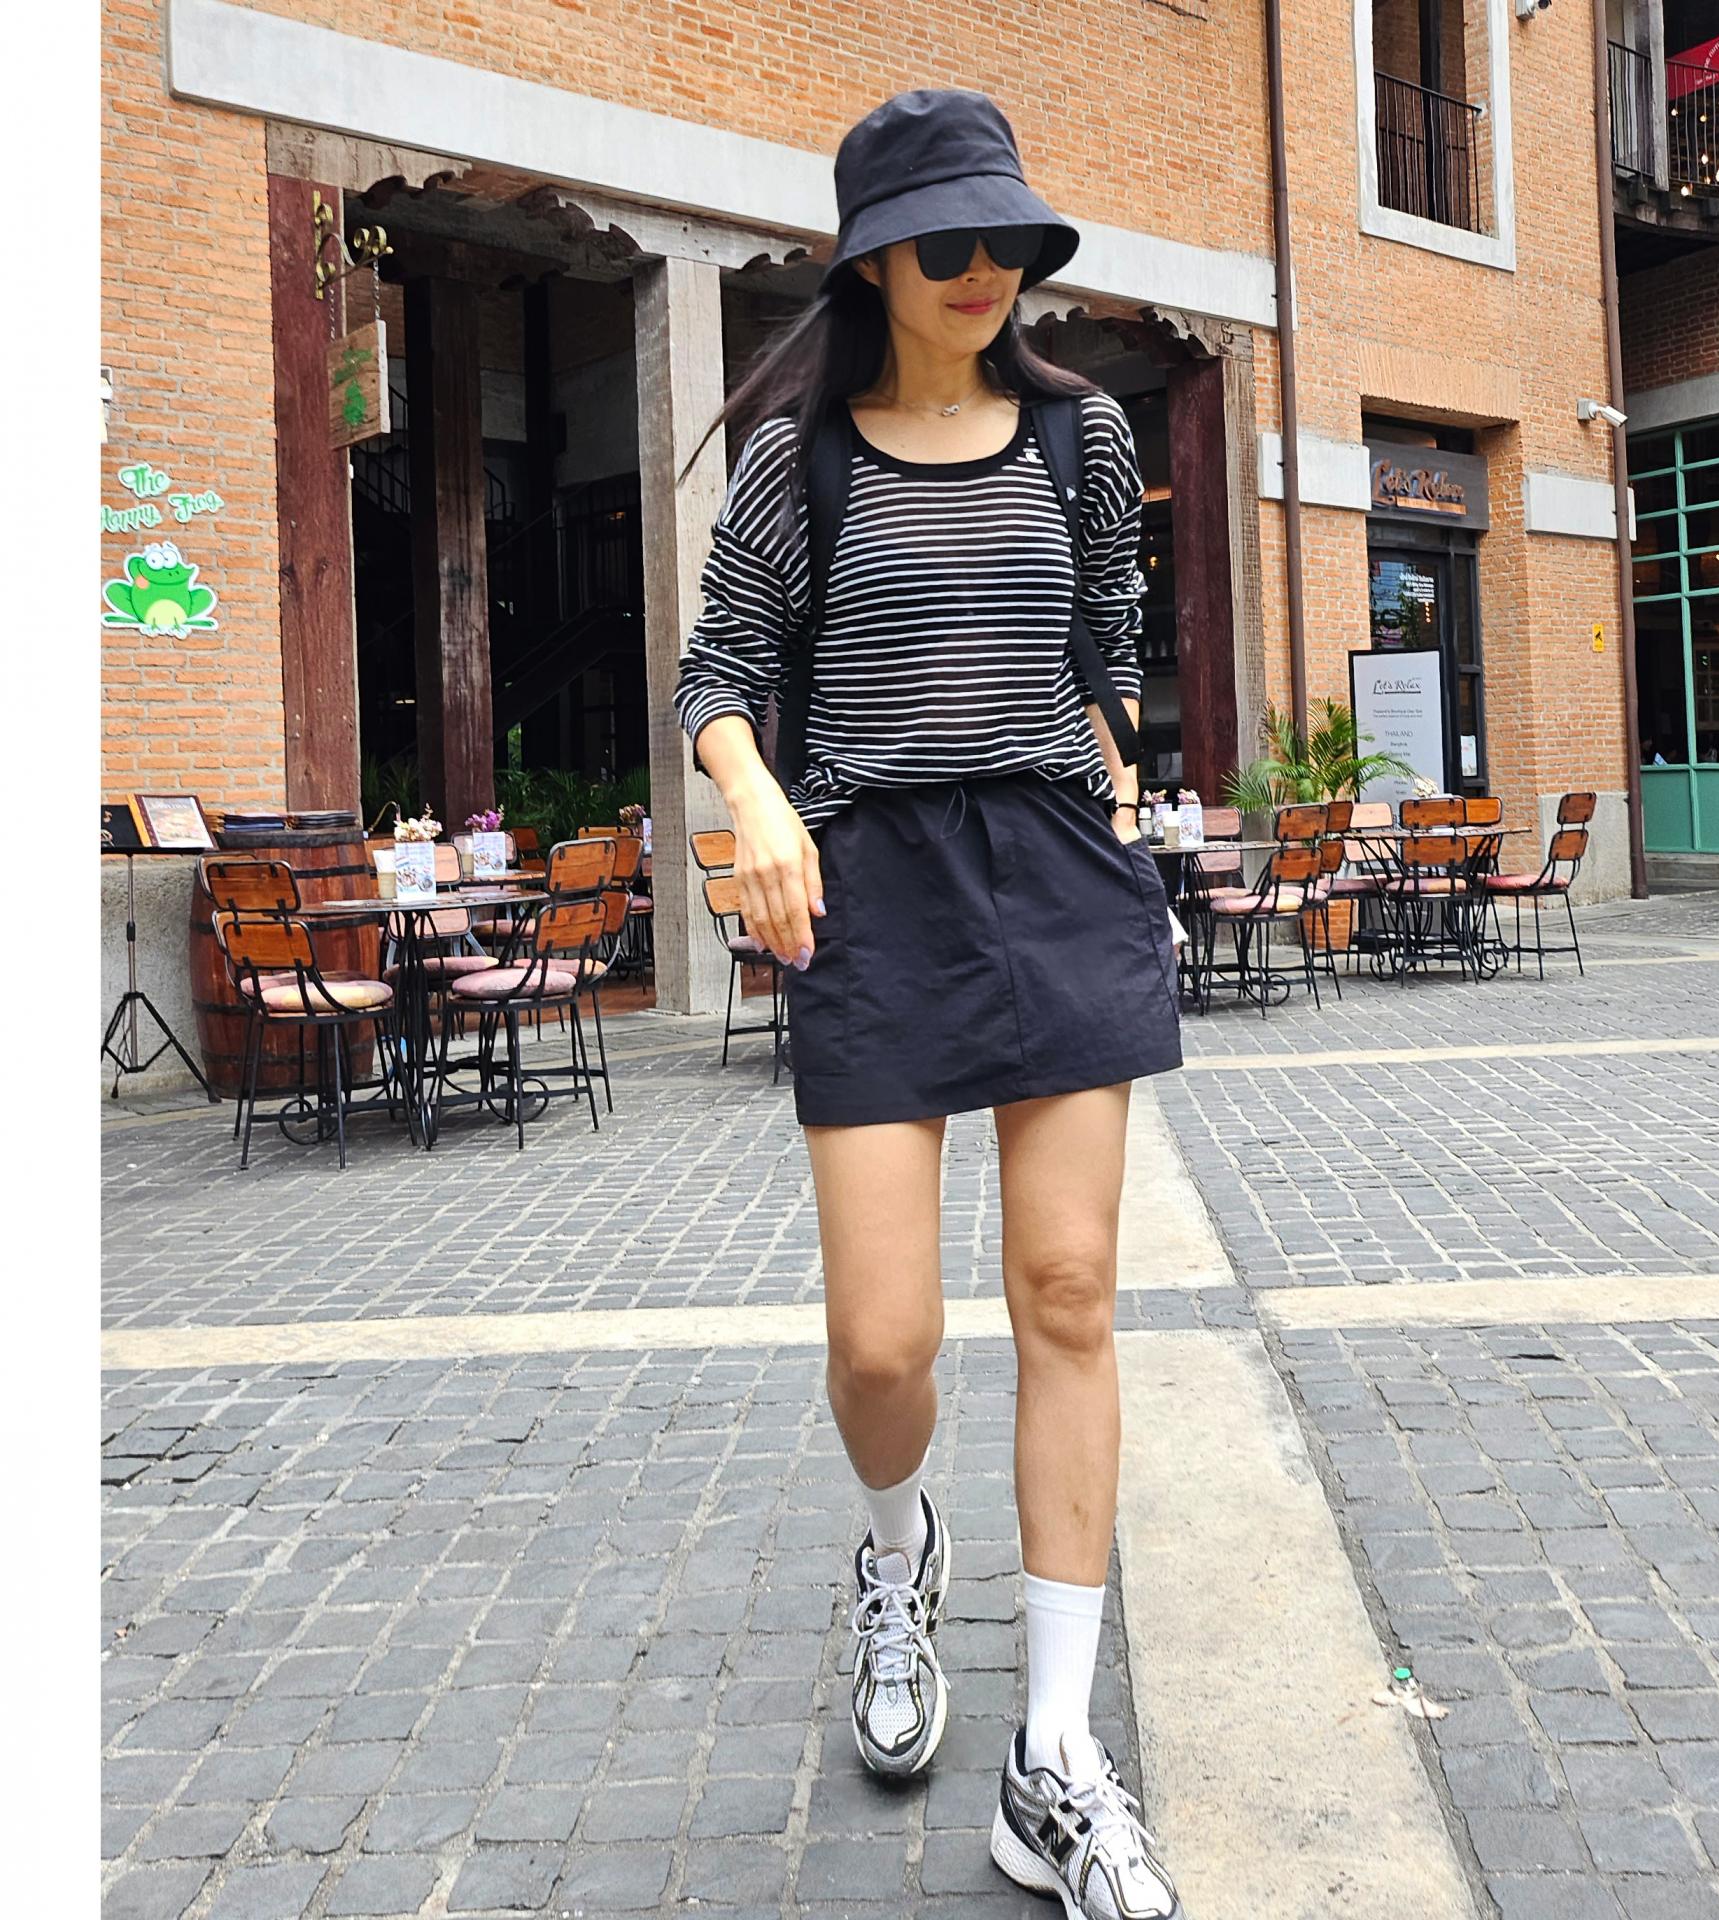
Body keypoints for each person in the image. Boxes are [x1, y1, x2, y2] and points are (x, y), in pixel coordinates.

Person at [671, 88, 1186, 1920]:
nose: (984, 271)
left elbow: (1110, 638)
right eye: (946, 242)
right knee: (884, 1344)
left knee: (1069, 1291)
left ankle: (1052, 1758)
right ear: (874, 260)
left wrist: (1116, 766)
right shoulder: (797, 460)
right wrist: (756, 799)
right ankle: (896, 1555)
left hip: (1053, 869)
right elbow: (717, 675)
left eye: (1007, 243)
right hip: (873, 890)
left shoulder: (1082, 434)